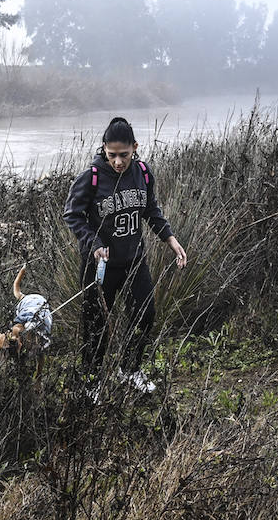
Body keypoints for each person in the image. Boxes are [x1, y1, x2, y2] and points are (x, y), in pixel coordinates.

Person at [63, 117, 187, 391]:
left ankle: (129, 370)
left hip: (134, 261)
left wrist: (171, 240)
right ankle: (91, 381)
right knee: (95, 325)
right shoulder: (91, 177)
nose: (118, 162)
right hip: (99, 267)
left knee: (145, 315)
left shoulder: (143, 173)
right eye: (112, 155)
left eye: (124, 155)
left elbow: (151, 211)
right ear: (104, 149)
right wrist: (93, 242)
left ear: (135, 147)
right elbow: (72, 215)